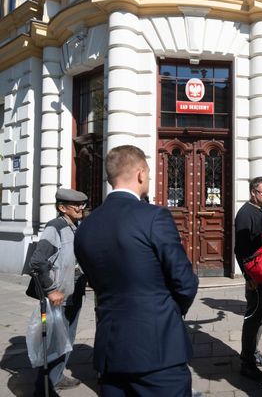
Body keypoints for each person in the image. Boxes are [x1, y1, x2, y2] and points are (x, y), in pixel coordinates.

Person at [74, 145, 199, 396]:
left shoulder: (86, 226)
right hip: (158, 350)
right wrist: (167, 310)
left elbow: (96, 282)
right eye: (149, 174)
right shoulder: (154, 217)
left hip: (110, 351)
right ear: (141, 174)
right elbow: (185, 281)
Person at [30, 188, 88, 396]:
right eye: (76, 205)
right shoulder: (55, 227)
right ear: (62, 208)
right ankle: (43, 388)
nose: (81, 208)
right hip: (59, 295)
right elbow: (37, 261)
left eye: (83, 204)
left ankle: (58, 376)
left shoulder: (76, 226)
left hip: (74, 290)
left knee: (67, 339)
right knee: (55, 342)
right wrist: (51, 289)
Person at [234, 176, 262, 382]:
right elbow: (240, 249)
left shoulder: (261, 210)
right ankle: (246, 363)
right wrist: (248, 277)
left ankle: (252, 351)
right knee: (253, 318)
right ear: (253, 193)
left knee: (261, 317)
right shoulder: (245, 214)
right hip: (254, 276)